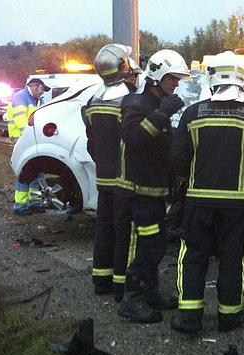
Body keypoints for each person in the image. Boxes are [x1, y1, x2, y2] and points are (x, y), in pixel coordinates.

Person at [170, 51, 244, 333]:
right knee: (232, 259)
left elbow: (178, 158)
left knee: (193, 257)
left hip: (198, 203)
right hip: (237, 205)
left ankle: (190, 318)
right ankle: (230, 317)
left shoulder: (193, 113)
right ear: (242, 80)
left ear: (212, 79)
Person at [116, 49, 189, 323]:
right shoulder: (138, 104)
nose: (176, 84)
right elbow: (134, 138)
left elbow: (158, 147)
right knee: (148, 247)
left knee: (156, 245)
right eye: (173, 79)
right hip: (138, 194)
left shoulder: (156, 104)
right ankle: (132, 300)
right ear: (158, 75)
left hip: (154, 192)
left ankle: (150, 293)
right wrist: (162, 114)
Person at [84, 44, 141, 300]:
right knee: (125, 233)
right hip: (125, 179)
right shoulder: (129, 99)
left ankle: (101, 280)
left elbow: (91, 142)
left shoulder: (93, 101)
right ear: (123, 66)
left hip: (103, 178)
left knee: (104, 229)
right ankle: (122, 286)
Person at [6, 78, 49, 215]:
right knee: (25, 173)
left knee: (38, 173)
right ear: (34, 86)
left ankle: (34, 203)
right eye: (42, 89)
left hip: (32, 140)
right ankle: (20, 206)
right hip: (23, 139)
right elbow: (21, 123)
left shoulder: (37, 100)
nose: (42, 93)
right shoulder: (21, 97)